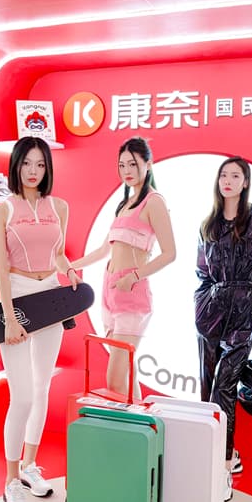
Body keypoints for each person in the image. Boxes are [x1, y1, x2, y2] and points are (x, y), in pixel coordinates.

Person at [0, 136, 82, 502]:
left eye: (40, 164)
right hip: (17, 298)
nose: (33, 171)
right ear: (15, 165)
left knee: (42, 388)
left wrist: (69, 270)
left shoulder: (59, 207)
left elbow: (57, 254)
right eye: (27, 163)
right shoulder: (2, 210)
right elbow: (0, 268)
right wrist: (9, 317)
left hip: (51, 298)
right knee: (23, 395)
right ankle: (10, 481)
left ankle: (29, 466)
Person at [195, 156, 252, 501]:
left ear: (245, 182)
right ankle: (207, 454)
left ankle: (224, 464)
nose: (227, 180)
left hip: (244, 310)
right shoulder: (209, 224)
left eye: (235, 175)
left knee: (225, 388)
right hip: (209, 310)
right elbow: (201, 272)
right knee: (206, 387)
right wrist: (201, 306)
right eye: (223, 175)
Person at [71, 137, 176, 398]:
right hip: (110, 292)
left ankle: (136, 422)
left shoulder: (154, 201)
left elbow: (170, 253)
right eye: (122, 165)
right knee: (128, 373)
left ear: (148, 164)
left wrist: (134, 277)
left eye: (133, 164)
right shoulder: (124, 205)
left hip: (132, 295)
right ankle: (139, 423)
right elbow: (103, 251)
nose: (126, 171)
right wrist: (70, 266)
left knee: (115, 379)